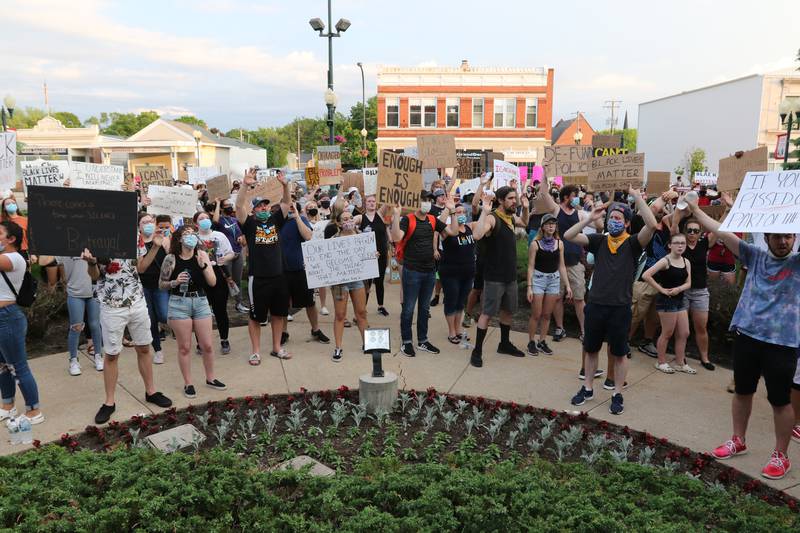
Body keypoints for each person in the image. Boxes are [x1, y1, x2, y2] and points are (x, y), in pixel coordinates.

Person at [685, 211, 800, 480]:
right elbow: (722, 231)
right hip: (748, 336)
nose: (783, 241)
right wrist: (695, 209)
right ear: (766, 238)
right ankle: (738, 439)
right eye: (777, 236)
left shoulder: (797, 263)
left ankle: (781, 455)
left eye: (788, 236)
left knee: (780, 401)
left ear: (795, 238)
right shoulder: (754, 256)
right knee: (743, 391)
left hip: (782, 343)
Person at [566, 189, 657, 415]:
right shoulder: (599, 240)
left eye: (618, 218)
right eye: (611, 218)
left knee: (619, 352)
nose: (613, 221)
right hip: (596, 304)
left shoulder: (634, 244)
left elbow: (652, 226)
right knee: (590, 348)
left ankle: (617, 393)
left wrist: (637, 197)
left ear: (627, 223)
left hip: (620, 307)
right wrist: (589, 218)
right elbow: (568, 236)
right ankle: (587, 388)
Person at [85, 247, 172, 424]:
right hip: (111, 306)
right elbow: (94, 276)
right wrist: (92, 262)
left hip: (137, 302)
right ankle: (109, 402)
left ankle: (151, 392)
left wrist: (154, 246)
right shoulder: (95, 239)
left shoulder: (132, 236)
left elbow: (140, 268)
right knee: (111, 355)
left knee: (144, 348)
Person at [158, 224, 226, 398]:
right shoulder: (171, 259)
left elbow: (212, 282)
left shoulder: (201, 255)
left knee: (208, 345)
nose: (191, 237)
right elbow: (161, 284)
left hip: (201, 301)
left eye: (193, 234)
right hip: (179, 303)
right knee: (185, 347)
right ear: (179, 239)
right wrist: (175, 282)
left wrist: (203, 266)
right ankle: (188, 383)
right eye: (187, 234)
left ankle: (211, 378)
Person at [235, 168, 292, 365]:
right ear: (254, 210)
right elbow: (239, 206)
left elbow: (286, 203)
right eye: (259, 206)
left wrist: (285, 186)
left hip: (279, 276)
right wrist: (245, 184)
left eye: (266, 206)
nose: (264, 209)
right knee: (255, 316)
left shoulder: (276, 221)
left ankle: (277, 348)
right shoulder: (249, 224)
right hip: (258, 277)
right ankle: (256, 351)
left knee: (278, 314)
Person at [391, 191, 457, 357]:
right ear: (416, 203)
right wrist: (396, 216)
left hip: (429, 272)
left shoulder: (433, 220)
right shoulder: (408, 220)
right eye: (423, 200)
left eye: (429, 200)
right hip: (412, 271)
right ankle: (407, 342)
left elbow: (453, 232)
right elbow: (396, 236)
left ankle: (422, 340)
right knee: (408, 309)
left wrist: (452, 211)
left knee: (424, 308)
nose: (427, 203)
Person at [469, 186, 530, 367]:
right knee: (487, 314)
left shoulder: (510, 217)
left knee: (508, 311)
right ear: (501, 200)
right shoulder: (492, 218)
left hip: (509, 276)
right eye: (511, 198)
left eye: (515, 199)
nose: (515, 202)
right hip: (494, 276)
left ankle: (504, 344)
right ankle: (477, 351)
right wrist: (484, 212)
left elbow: (524, 223)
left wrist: (525, 208)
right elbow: (477, 234)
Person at [0, 221, 44, 425]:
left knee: (18, 367)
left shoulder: (14, 258)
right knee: (3, 366)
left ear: (11, 239)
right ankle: (7, 406)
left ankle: (34, 411)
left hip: (7, 318)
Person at [642, 233, 695, 374]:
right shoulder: (665, 261)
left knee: (684, 332)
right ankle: (661, 362)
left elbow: (689, 283)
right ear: (670, 245)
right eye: (676, 243)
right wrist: (662, 290)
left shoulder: (686, 261)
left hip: (680, 300)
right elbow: (646, 275)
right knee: (667, 332)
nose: (680, 246)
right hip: (666, 301)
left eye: (682, 243)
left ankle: (680, 362)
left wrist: (678, 289)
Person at [279, 201, 330, 345]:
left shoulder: (301, 219)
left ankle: (315, 330)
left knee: (309, 302)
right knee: (283, 303)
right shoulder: (276, 221)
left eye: (292, 205)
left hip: (300, 269)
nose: (289, 208)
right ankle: (283, 332)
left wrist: (296, 217)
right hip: (281, 270)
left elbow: (308, 236)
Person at [673, 215, 717, 370]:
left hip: (700, 291)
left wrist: (727, 210)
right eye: (689, 230)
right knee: (682, 329)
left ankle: (704, 358)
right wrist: (679, 210)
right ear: (685, 232)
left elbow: (718, 229)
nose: (692, 233)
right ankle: (681, 356)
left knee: (701, 327)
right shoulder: (680, 244)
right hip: (683, 291)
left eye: (696, 231)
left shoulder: (704, 244)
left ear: (700, 233)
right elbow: (673, 227)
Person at [329, 210, 372, 362]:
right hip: (340, 282)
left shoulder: (362, 238)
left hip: (357, 280)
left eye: (351, 218)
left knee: (361, 312)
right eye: (345, 219)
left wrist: (373, 256)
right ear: (339, 223)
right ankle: (338, 347)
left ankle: (367, 344)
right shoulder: (333, 240)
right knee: (340, 314)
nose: (348, 221)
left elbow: (367, 257)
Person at [526, 213, 570, 356]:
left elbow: (562, 266)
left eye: (553, 224)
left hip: (553, 280)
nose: (551, 226)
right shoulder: (535, 244)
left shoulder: (559, 243)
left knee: (547, 314)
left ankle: (542, 341)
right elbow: (530, 266)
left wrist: (568, 286)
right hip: (538, 279)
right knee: (536, 314)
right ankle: (531, 341)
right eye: (548, 224)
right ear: (543, 226)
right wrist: (529, 287)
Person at [194, 210, 235, 355]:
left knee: (220, 309)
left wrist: (226, 259)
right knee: (200, 312)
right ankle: (200, 342)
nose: (205, 220)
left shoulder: (219, 236)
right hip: (200, 275)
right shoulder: (193, 238)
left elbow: (230, 253)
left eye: (207, 218)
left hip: (218, 273)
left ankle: (224, 340)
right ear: (195, 223)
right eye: (201, 218)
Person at [438, 203, 480, 344]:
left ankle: (458, 329)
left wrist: (485, 209)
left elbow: (482, 220)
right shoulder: (448, 231)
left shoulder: (470, 227)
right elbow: (438, 224)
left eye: (462, 212)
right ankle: (451, 332)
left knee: (460, 302)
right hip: (450, 273)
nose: (461, 214)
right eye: (458, 212)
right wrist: (449, 210)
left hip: (467, 273)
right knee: (451, 301)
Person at [57, 253, 104, 375]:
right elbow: (60, 266)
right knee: (76, 327)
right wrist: (65, 284)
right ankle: (73, 360)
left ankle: (98, 356)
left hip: (92, 290)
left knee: (95, 325)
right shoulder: (63, 249)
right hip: (75, 292)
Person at [136, 213, 171, 364]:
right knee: (150, 319)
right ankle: (158, 350)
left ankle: (164, 326)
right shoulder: (137, 243)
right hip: (143, 286)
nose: (148, 224)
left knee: (163, 315)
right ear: (139, 226)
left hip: (160, 284)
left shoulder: (163, 239)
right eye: (144, 222)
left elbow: (171, 258)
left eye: (151, 221)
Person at [212, 197, 249, 314]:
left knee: (237, 280)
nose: (229, 207)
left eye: (230, 205)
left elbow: (243, 236)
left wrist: (242, 239)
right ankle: (219, 306)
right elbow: (215, 221)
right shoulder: (220, 221)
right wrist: (217, 203)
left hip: (237, 253)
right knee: (225, 281)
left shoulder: (234, 219)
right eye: (226, 205)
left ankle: (239, 304)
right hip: (226, 255)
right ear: (222, 208)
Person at [356, 195, 390, 316]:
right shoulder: (360, 217)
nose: (371, 203)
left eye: (373, 201)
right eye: (369, 201)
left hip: (381, 253)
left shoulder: (380, 214)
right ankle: (362, 308)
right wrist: (357, 232)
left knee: (380, 281)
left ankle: (380, 306)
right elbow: (347, 223)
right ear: (365, 204)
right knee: (367, 283)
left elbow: (388, 200)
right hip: (367, 255)